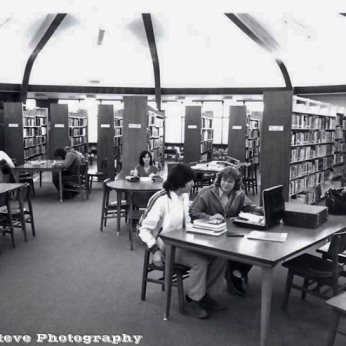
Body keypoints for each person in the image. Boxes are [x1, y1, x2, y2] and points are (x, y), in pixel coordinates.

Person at [138, 163, 227, 319]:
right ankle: (193, 300)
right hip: (167, 245)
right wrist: (155, 251)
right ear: (181, 182)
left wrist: (205, 227)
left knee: (219, 255)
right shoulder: (161, 200)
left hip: (185, 240)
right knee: (200, 262)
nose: (193, 183)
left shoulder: (184, 196)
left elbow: (187, 221)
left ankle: (206, 294)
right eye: (190, 180)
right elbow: (142, 228)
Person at [190, 166, 263, 296]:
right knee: (229, 251)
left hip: (230, 231)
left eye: (230, 181)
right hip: (210, 233)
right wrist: (209, 217)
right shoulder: (207, 192)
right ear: (219, 179)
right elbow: (194, 212)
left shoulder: (238, 193)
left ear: (236, 183)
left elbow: (247, 206)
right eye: (224, 180)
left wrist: (260, 210)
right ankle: (234, 278)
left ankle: (236, 272)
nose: (226, 184)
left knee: (253, 246)